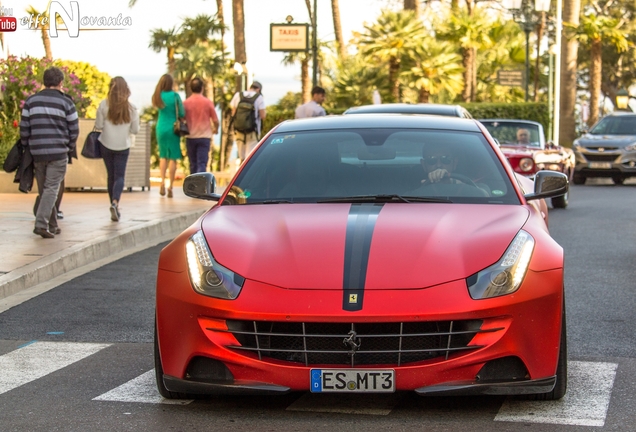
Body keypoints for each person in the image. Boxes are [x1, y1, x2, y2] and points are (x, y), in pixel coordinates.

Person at [20, 66, 79, 239]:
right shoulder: (67, 102)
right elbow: (74, 130)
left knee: (45, 189)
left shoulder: (31, 102)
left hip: (37, 152)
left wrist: (28, 146)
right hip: (58, 152)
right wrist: (68, 147)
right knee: (51, 188)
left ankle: (52, 225)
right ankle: (41, 224)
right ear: (61, 83)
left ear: (44, 82)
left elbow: (24, 129)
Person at [95, 76, 140, 222]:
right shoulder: (131, 108)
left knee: (111, 175)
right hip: (123, 145)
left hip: (106, 144)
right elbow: (135, 130)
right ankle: (115, 203)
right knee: (120, 176)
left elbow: (99, 126)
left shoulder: (103, 105)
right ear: (126, 90)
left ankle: (113, 204)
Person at [152, 74, 184, 198]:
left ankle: (161, 183)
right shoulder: (175, 96)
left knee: (163, 156)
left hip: (160, 127)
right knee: (173, 158)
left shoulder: (157, 96)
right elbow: (181, 112)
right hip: (172, 128)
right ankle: (170, 186)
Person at [183, 77, 219, 174]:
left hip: (190, 136)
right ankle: (200, 185)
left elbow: (182, 119)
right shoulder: (207, 102)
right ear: (202, 88)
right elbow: (215, 120)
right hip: (204, 137)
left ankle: (193, 185)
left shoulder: (185, 103)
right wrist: (216, 129)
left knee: (192, 164)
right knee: (202, 163)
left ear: (191, 88)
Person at [230, 81, 266, 162]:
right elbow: (263, 115)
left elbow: (233, 112)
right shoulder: (258, 97)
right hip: (252, 131)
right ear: (258, 89)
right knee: (250, 157)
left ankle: (241, 172)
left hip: (239, 129)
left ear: (250, 87)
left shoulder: (238, 95)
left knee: (241, 156)